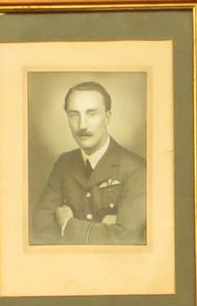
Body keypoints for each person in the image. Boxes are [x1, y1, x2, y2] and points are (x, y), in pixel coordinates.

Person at [30, 81, 147, 245]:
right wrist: (102, 230)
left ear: (107, 118)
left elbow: (125, 238)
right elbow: (40, 227)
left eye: (91, 114)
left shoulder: (136, 169)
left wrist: (68, 225)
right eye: (74, 115)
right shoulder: (64, 163)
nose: (82, 125)